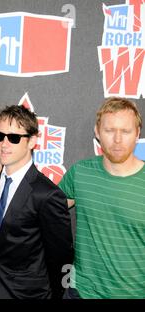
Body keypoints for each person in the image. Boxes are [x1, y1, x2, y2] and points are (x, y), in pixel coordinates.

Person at [59, 97, 145, 299]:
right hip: (80, 292)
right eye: (109, 130)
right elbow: (41, 207)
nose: (117, 139)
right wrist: (9, 166)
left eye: (125, 131)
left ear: (137, 134)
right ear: (97, 132)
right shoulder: (80, 173)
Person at [0, 105, 73, 299]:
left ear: (32, 141)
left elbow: (61, 258)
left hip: (30, 295)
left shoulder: (47, 194)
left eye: (14, 138)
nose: (4, 144)